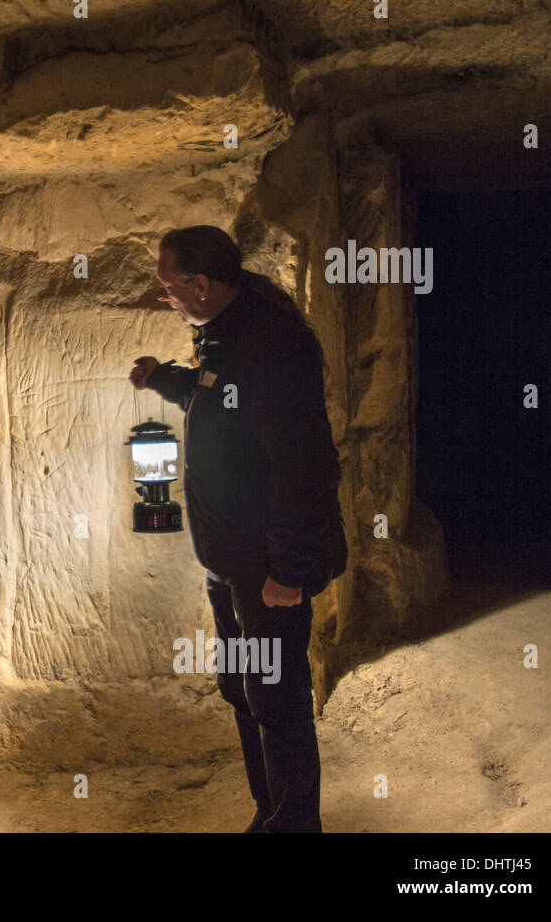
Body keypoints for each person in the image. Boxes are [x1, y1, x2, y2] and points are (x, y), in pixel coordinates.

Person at [129, 225, 347, 833]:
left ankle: (296, 822)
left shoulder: (271, 345)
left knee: (276, 699)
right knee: (243, 690)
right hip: (232, 561)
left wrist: (288, 572)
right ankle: (269, 813)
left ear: (199, 284)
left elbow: (304, 468)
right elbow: (221, 400)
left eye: (167, 285)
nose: (162, 295)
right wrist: (164, 377)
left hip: (266, 566)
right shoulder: (225, 336)